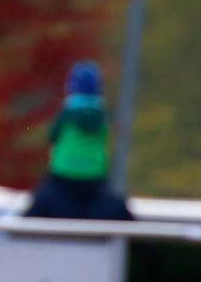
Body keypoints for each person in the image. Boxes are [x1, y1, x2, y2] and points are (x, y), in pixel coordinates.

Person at [25, 60, 132, 220]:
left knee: (34, 212)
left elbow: (52, 136)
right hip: (95, 180)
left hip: (62, 177)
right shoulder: (103, 118)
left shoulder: (66, 115)